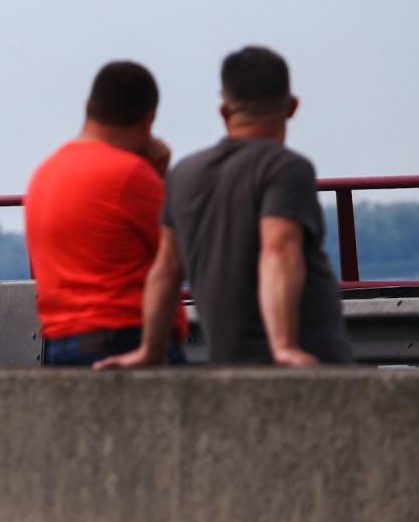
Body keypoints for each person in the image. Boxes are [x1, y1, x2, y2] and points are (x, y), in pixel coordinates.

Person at [96, 46, 352, 368]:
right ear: (291, 106)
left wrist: (149, 350)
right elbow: (279, 250)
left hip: (228, 364)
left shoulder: (183, 174)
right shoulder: (286, 169)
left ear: (223, 111)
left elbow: (166, 269)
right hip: (307, 360)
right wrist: (284, 346)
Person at [24, 61, 187, 365]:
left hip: (60, 345)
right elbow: (179, 255)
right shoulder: (133, 176)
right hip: (127, 339)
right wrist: (158, 178)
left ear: (88, 107)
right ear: (148, 120)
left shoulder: (44, 175)